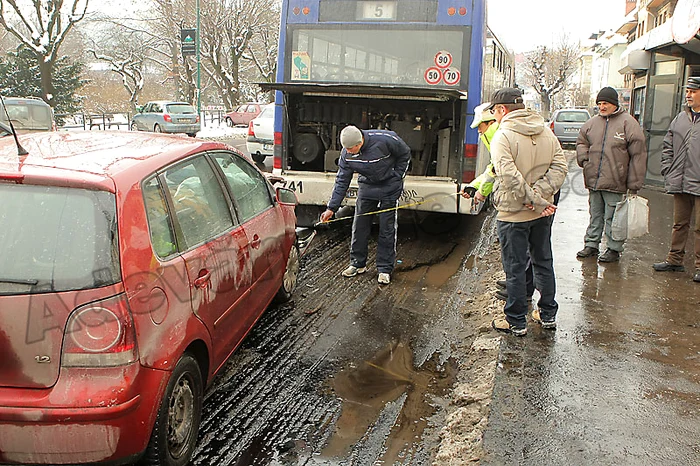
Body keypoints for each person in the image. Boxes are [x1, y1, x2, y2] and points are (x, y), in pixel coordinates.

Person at [487, 88, 568, 336]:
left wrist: (532, 199)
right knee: (543, 261)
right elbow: (560, 166)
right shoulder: (546, 131)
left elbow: (508, 176)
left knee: (515, 266)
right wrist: (541, 197)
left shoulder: (503, 136)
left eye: (493, 111)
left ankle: (516, 321)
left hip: (514, 213)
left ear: (501, 110)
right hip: (543, 212)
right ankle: (547, 314)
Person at [320, 125, 411, 285]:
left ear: (359, 143)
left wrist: (397, 176)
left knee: (386, 228)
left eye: (350, 148)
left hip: (389, 187)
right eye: (345, 148)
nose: (347, 151)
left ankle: (384, 269)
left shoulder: (385, 139)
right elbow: (342, 180)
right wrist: (331, 208)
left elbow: (405, 153)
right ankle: (357, 264)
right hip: (367, 188)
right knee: (359, 226)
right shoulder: (346, 155)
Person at [575, 87, 647, 263]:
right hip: (594, 180)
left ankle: (614, 248)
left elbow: (638, 154)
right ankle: (591, 244)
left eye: (605, 103)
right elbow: (581, 142)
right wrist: (584, 160)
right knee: (595, 213)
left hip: (616, 180)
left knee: (614, 217)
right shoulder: (592, 124)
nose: (602, 106)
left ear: (614, 104)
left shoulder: (628, 124)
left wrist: (634, 182)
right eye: (599, 103)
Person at [653, 76, 700, 283]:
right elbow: (668, 144)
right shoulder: (680, 118)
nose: (688, 95)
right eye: (687, 91)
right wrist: (667, 168)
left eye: (693, 91)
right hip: (680, 180)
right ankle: (674, 260)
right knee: (680, 223)